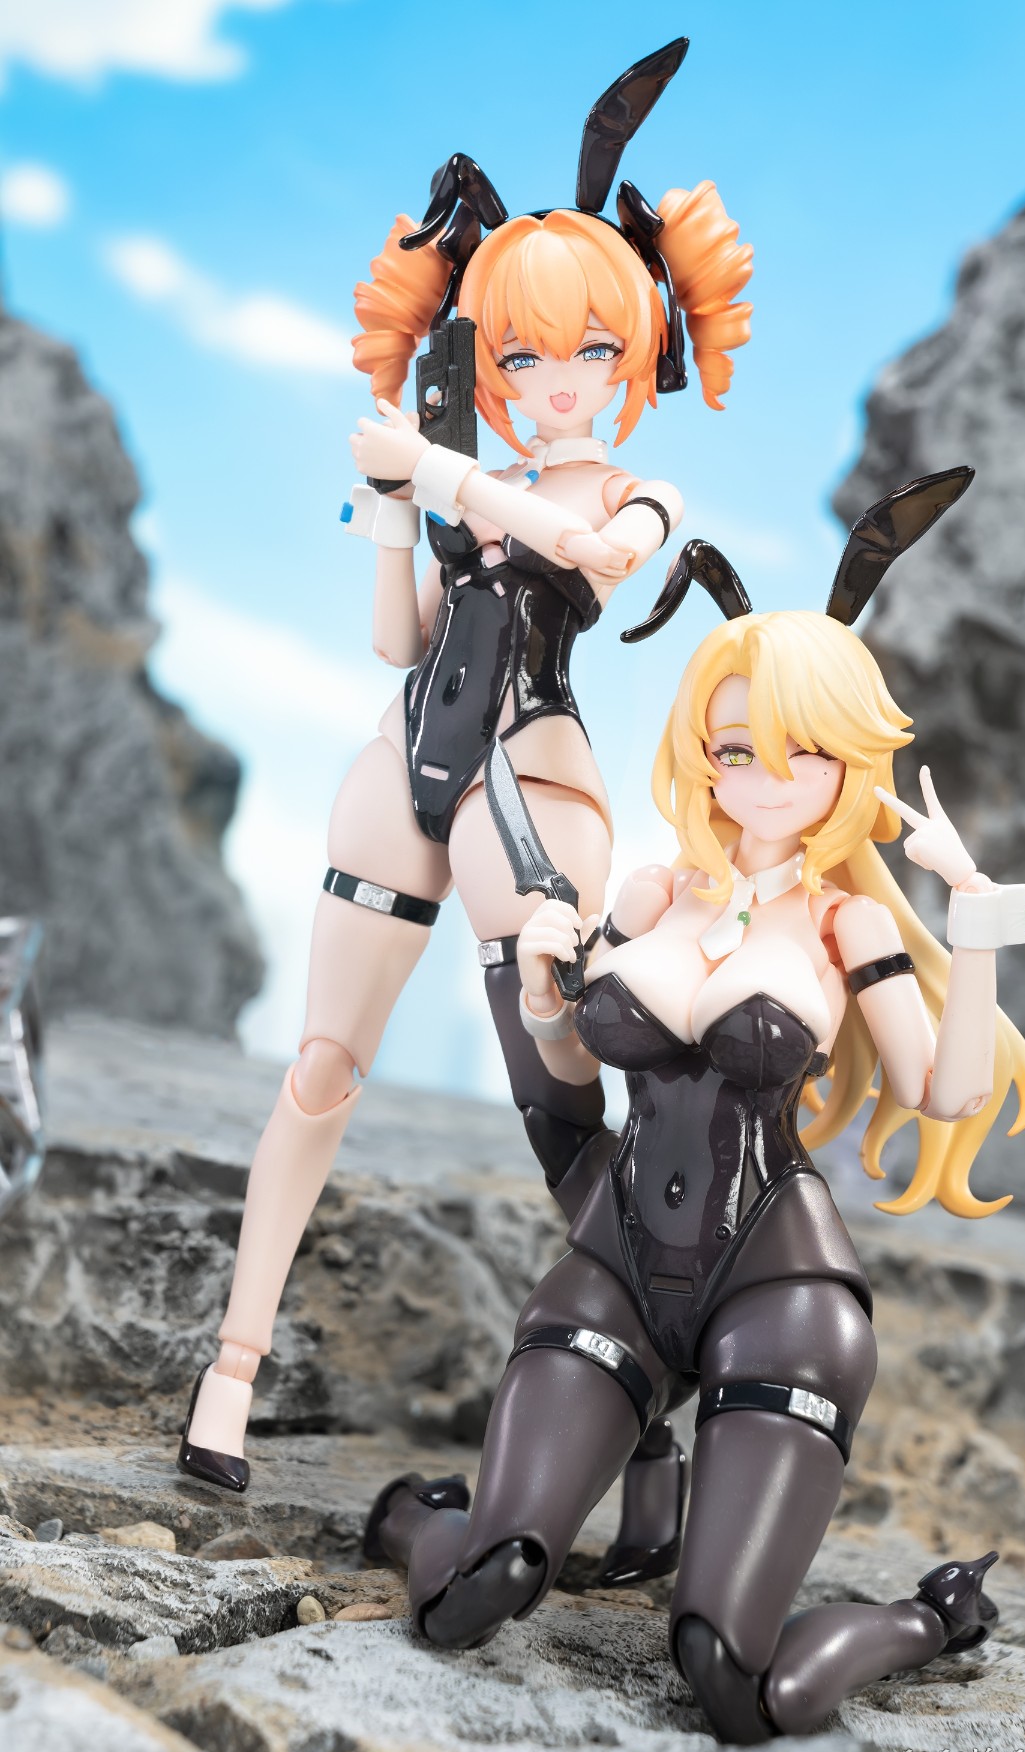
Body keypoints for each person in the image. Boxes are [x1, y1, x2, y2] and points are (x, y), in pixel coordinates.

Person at [177, 37, 752, 1590]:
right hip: (406, 758)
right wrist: (389, 512)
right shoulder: (466, 474)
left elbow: (599, 562)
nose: (554, 387)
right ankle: (231, 1369)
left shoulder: (634, 492)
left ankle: (651, 1426)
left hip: (536, 787)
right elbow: (403, 638)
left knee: (561, 1117)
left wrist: (443, 472)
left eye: (586, 356)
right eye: (521, 358)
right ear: (486, 357)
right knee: (319, 1069)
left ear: (632, 357)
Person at [366, 536, 1025, 1742]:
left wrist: (980, 913)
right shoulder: (651, 894)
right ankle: (416, 1517)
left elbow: (945, 1093)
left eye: (801, 751)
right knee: (480, 1585)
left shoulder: (844, 926)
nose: (765, 779)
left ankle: (929, 1619)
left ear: (850, 757)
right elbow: (574, 1067)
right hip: (618, 1267)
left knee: (732, 1677)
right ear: (701, 753)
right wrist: (545, 995)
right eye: (736, 750)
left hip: (777, 1291)